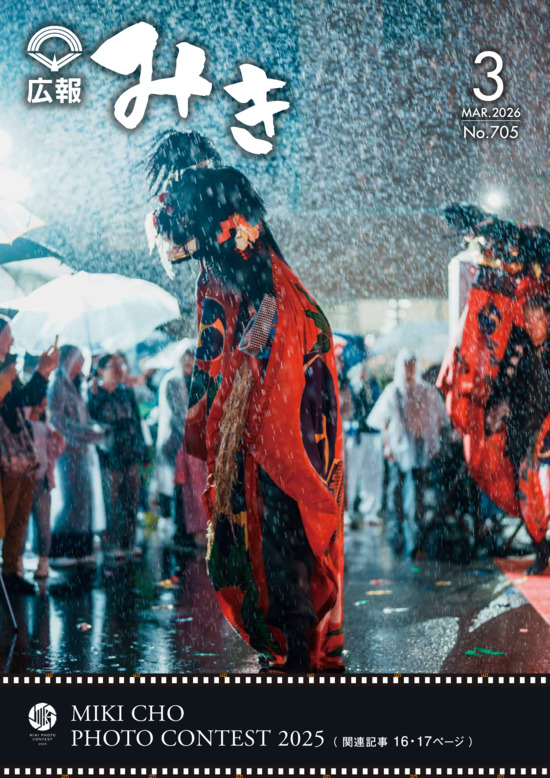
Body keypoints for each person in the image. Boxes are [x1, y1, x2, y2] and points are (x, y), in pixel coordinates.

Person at [145, 131, 345, 673]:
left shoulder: (250, 259)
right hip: (262, 381)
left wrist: (249, 366)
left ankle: (297, 641)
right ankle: (286, 637)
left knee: (280, 521)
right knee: (260, 524)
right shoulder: (227, 251)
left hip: (278, 382)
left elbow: (259, 296)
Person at [486, 292, 550, 573]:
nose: (533, 325)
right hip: (522, 435)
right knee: (526, 497)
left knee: (544, 493)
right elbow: (508, 389)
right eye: (529, 319)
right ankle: (541, 549)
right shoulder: (521, 351)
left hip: (545, 437)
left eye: (538, 319)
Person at [368, 348, 446, 557]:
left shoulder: (425, 391)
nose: (409, 370)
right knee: (396, 496)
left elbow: (439, 414)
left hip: (418, 451)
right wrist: (387, 445)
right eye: (406, 365)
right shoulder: (393, 391)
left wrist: (431, 437)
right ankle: (397, 538)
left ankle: (414, 541)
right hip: (397, 452)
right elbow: (382, 421)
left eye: (412, 365)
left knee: (415, 497)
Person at [48, 345, 106, 565]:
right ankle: (62, 550)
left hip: (82, 453)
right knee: (70, 501)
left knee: (83, 500)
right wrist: (89, 434)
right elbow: (60, 424)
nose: (82, 363)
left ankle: (81, 548)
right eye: (78, 359)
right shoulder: (57, 386)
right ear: (67, 360)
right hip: (66, 453)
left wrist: (95, 429)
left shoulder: (78, 384)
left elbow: (83, 418)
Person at [88, 353, 147, 560]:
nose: (118, 370)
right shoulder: (95, 394)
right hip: (108, 455)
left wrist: (143, 452)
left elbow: (136, 422)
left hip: (130, 453)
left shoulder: (126, 392)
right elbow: (91, 422)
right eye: (113, 366)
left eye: (120, 366)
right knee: (110, 503)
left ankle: (129, 542)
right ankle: (110, 544)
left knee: (131, 500)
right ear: (101, 371)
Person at [155, 339, 206, 548]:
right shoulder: (172, 381)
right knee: (181, 489)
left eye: (192, 356)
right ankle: (183, 532)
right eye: (185, 356)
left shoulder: (200, 380)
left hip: (196, 447)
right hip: (177, 445)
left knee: (196, 489)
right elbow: (177, 415)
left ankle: (195, 530)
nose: (188, 360)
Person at [0, 355, 39, 594]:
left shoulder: (11, 376)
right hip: (7, 461)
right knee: (6, 518)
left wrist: (43, 374)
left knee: (19, 518)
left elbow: (28, 398)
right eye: (8, 338)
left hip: (22, 458)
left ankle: (11, 571)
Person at [24, 398, 66, 579]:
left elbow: (58, 448)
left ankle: (42, 560)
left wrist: (57, 437)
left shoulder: (46, 427)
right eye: (40, 402)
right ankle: (16, 561)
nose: (42, 406)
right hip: (24, 480)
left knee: (42, 524)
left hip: (42, 481)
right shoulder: (23, 424)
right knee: (21, 524)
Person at [344, 360, 382, 527]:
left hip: (372, 434)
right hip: (356, 435)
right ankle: (347, 509)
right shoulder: (351, 386)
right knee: (351, 474)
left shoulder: (373, 386)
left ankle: (370, 510)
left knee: (372, 474)